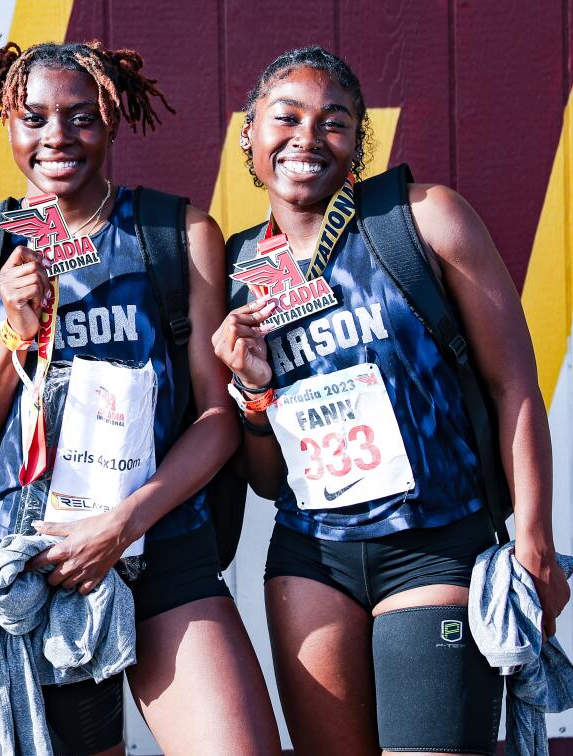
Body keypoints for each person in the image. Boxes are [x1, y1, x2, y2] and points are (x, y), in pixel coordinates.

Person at [0, 39, 281, 755]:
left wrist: (119, 527)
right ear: (6, 122)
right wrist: (15, 338)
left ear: (113, 119)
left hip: (162, 546)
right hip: (45, 566)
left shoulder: (175, 233)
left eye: (81, 117)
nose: (57, 136)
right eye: (34, 118)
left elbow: (215, 421)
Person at [213, 46, 569, 756]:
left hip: (436, 548)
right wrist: (252, 390)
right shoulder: (240, 267)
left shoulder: (423, 218)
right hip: (311, 558)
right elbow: (264, 479)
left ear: (358, 144)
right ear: (249, 134)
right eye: (286, 118)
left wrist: (533, 534)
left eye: (334, 122)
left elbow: (515, 386)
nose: (308, 137)